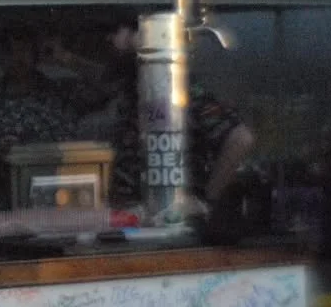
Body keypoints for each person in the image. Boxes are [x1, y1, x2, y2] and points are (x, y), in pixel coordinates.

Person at [53, 14, 256, 226]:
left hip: (167, 220)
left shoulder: (176, 90)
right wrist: (67, 59)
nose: (109, 40)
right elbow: (103, 76)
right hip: (128, 218)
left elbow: (240, 138)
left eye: (116, 33)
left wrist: (207, 202)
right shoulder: (129, 87)